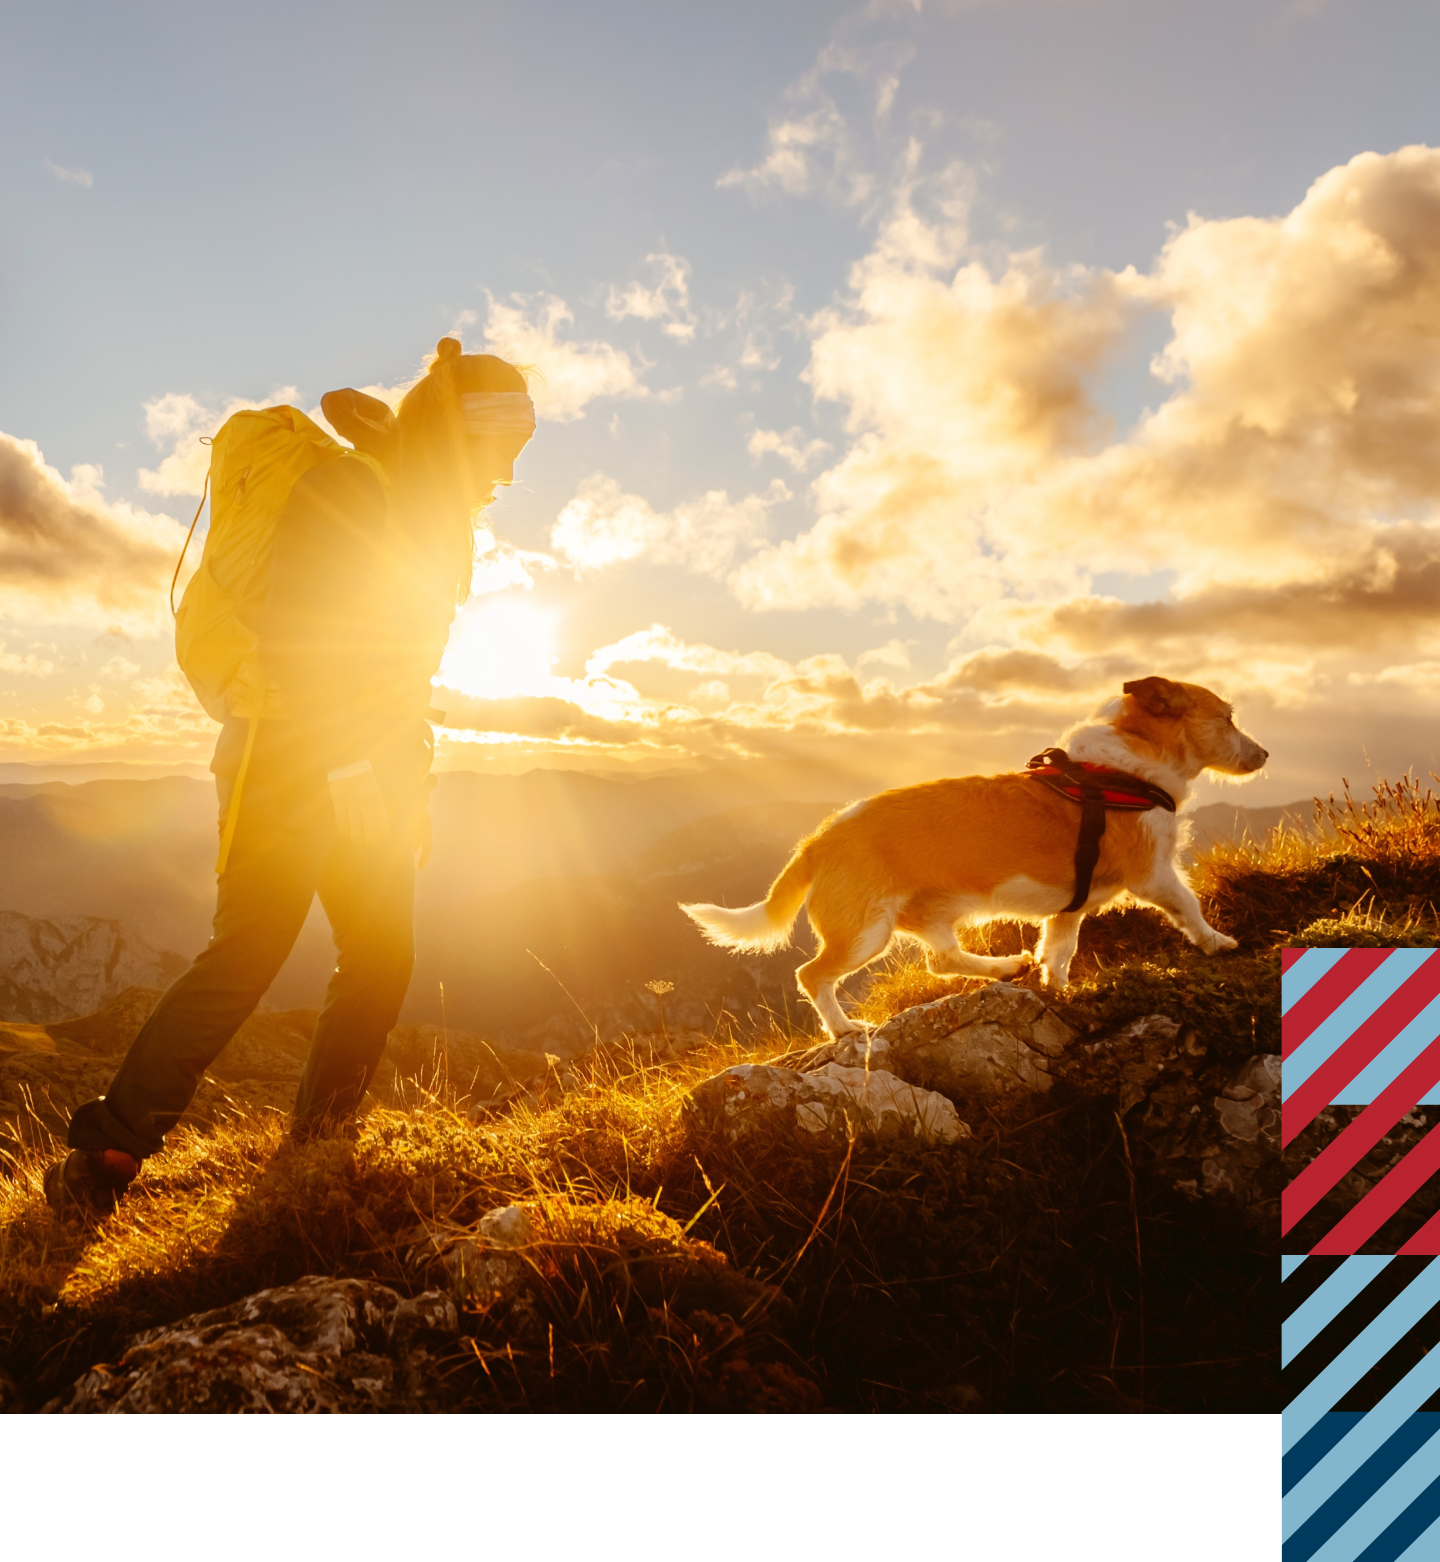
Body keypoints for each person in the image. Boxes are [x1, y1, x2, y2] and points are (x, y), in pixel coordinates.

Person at [45, 338, 535, 1214]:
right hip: (285, 752)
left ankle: (318, 1147)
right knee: (251, 952)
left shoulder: (431, 516)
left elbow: (394, 666)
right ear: (464, 434)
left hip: (370, 766)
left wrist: (401, 784)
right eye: (503, 449)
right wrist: (345, 761)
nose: (506, 473)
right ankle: (108, 1152)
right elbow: (299, 633)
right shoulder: (354, 489)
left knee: (380, 957)